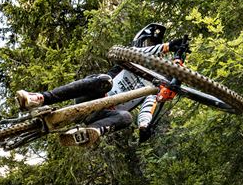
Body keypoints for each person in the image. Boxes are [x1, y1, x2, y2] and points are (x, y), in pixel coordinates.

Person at [15, 23, 188, 149]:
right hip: (93, 95)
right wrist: (167, 47)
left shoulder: (154, 82)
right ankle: (40, 98)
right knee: (104, 81)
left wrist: (144, 126)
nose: (152, 51)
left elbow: (149, 105)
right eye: (149, 44)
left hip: (102, 114)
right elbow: (139, 53)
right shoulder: (130, 60)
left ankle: (89, 132)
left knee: (127, 117)